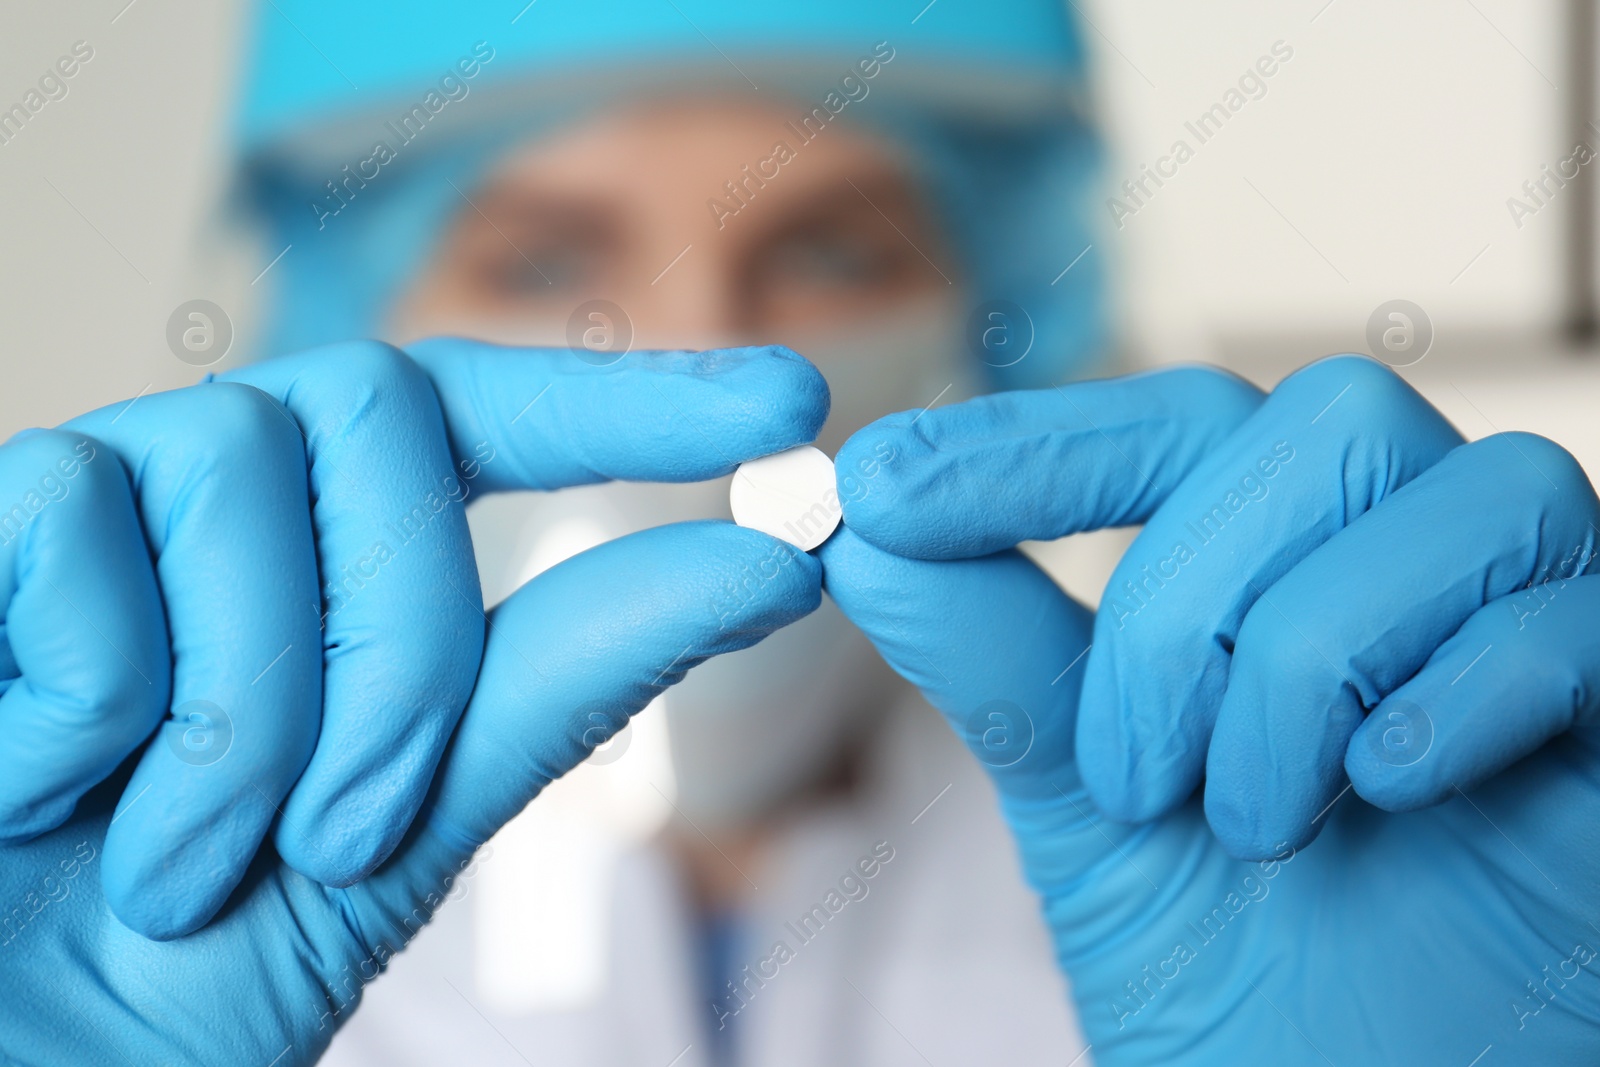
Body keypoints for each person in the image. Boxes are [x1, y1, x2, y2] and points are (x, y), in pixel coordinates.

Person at [1, 4, 1599, 1067]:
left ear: (1003, 310)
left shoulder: (1273, 878)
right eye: (543, 261)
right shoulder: (161, 920)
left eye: (832, 251)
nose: (704, 338)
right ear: (355, 326)